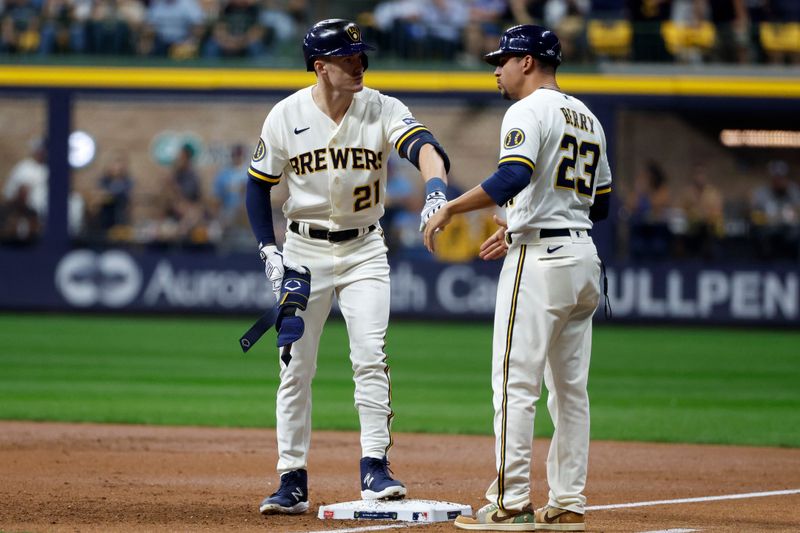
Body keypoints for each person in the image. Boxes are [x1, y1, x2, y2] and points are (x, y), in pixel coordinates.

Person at [245, 18, 451, 515]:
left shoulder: (381, 107)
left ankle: (374, 467)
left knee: (370, 355)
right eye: (346, 58)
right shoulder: (286, 114)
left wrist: (437, 189)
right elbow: (258, 184)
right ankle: (291, 478)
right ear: (320, 66)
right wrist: (267, 250)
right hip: (303, 251)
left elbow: (425, 148)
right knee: (294, 366)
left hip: (364, 250)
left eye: (360, 56)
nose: (358, 64)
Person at [423, 25, 612, 531]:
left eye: (503, 59)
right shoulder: (589, 117)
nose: (496, 68)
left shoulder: (526, 110)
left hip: (541, 261)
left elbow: (513, 176)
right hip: (582, 259)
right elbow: (605, 204)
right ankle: (569, 502)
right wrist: (524, 221)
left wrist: (452, 209)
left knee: (514, 383)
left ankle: (509, 503)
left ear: (528, 62)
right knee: (570, 392)